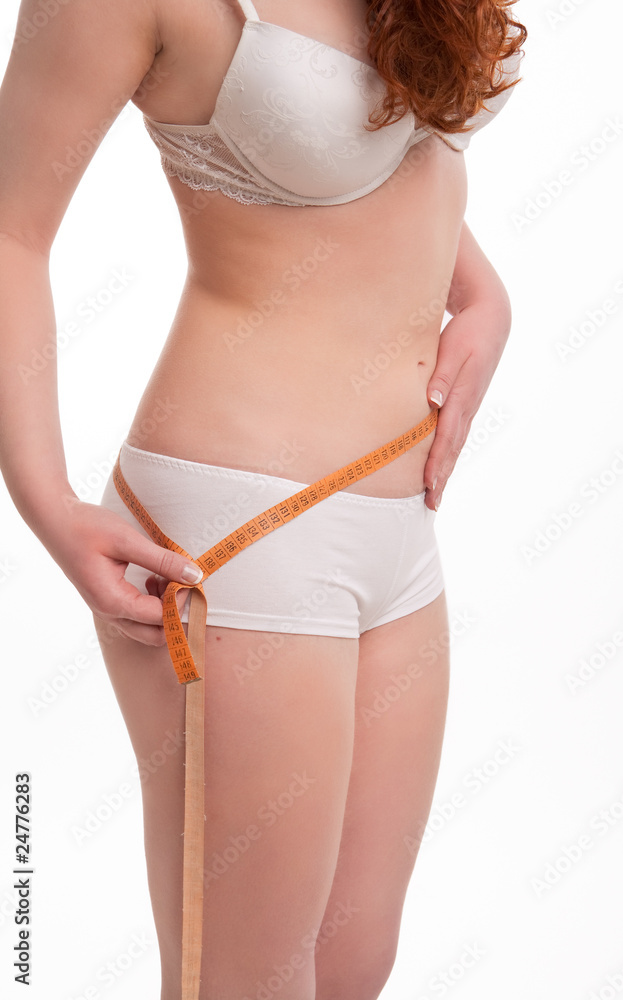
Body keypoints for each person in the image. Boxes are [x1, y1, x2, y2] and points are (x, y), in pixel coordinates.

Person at [0, 0, 527, 997]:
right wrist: (44, 497)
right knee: (246, 981)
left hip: (399, 522)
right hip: (236, 531)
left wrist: (484, 294)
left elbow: (394, 143)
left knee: (350, 965)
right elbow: (9, 231)